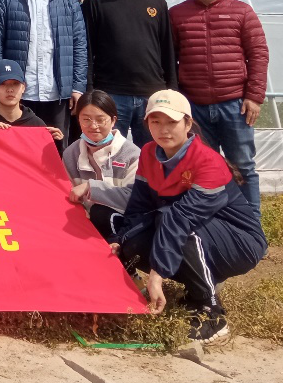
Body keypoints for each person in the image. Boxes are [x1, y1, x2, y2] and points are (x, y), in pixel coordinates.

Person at [113, 90, 267, 344]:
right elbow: (138, 208)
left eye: (171, 122)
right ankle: (195, 290)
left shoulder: (207, 161)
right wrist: (120, 240)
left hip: (240, 242)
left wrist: (157, 274)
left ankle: (212, 313)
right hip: (192, 233)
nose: (163, 130)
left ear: (187, 123)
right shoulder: (149, 153)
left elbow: (181, 219)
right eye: (155, 122)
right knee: (134, 241)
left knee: (176, 225)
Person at [169, 0, 269, 217]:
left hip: (235, 104)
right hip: (195, 106)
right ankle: (216, 221)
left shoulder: (241, 11)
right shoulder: (177, 15)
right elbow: (169, 58)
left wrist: (254, 96)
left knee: (243, 164)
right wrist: (178, 100)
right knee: (204, 166)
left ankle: (251, 223)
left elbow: (258, 54)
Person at [0, 0, 87, 149]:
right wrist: (0, 84)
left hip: (57, 92)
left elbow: (79, 44)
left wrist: (77, 87)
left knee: (56, 151)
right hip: (18, 92)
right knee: (18, 151)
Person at [82, 0, 177, 148]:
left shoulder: (156, 1)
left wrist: (171, 90)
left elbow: (167, 49)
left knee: (154, 153)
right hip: (111, 93)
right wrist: (90, 91)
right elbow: (86, 49)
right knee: (109, 153)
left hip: (152, 94)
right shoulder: (96, 0)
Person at [62, 91, 141, 239]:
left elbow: (134, 200)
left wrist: (91, 187)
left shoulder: (132, 154)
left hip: (124, 221)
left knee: (100, 213)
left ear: (113, 120)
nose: (93, 126)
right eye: (86, 119)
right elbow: (67, 194)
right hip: (82, 222)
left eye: (100, 120)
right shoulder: (71, 153)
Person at [0, 60, 63, 142]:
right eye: (3, 84)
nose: (10, 89)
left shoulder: (37, 125)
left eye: (15, 84)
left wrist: (56, 142)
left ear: (23, 87)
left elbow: (45, 156)